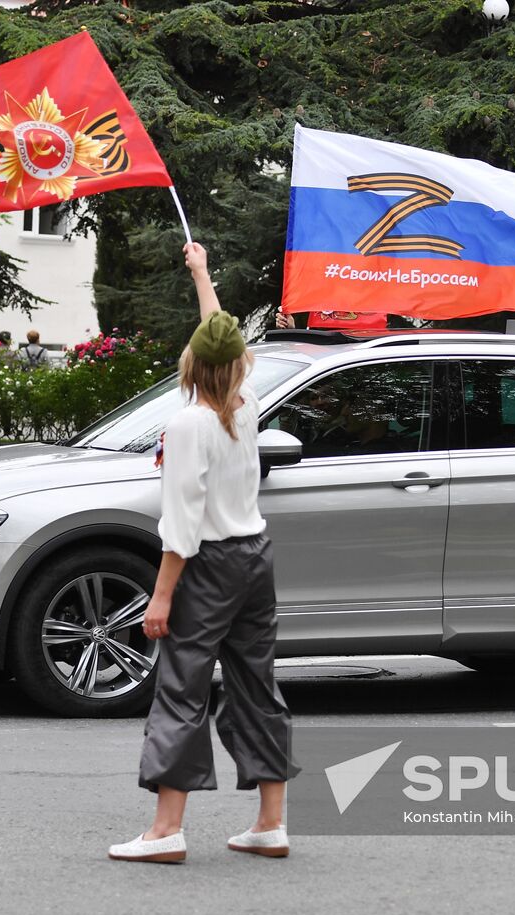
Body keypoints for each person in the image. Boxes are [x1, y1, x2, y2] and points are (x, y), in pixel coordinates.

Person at [108, 242, 298, 865]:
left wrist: (161, 596)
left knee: (181, 689)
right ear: (238, 365)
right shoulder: (245, 409)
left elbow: (182, 524)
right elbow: (223, 341)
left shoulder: (187, 425)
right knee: (256, 684)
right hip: (254, 558)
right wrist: (202, 275)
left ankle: (165, 831)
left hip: (209, 565)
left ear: (192, 364)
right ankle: (270, 822)